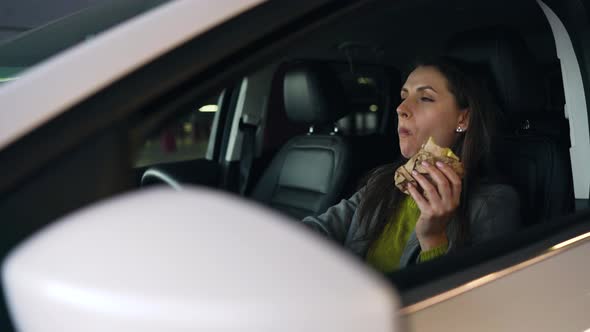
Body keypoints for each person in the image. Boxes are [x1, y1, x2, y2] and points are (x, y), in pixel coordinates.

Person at [302, 56, 521, 273]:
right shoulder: (383, 182)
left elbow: (474, 301)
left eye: (425, 98)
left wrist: (433, 239)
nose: (401, 108)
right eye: (403, 97)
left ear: (462, 119)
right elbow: (318, 230)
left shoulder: (492, 204)